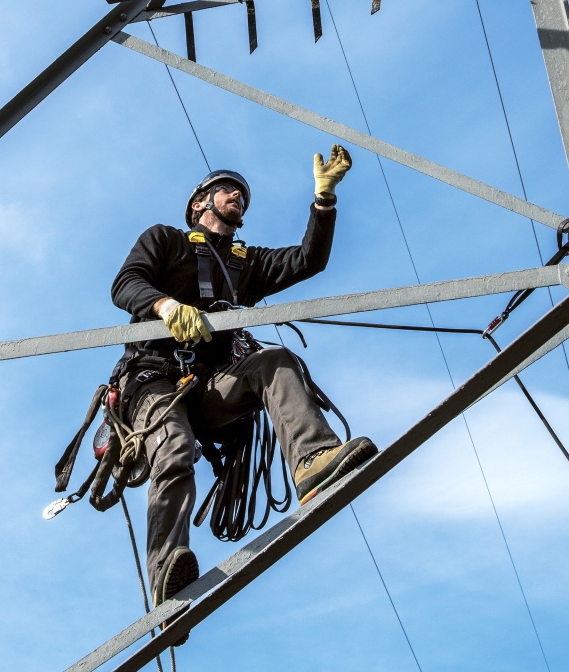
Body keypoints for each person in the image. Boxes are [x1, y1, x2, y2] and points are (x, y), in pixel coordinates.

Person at [110, 144, 377, 619]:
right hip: (152, 380)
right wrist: (165, 306)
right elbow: (126, 283)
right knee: (172, 449)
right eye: (226, 190)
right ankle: (166, 571)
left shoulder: (243, 264)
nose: (237, 195)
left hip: (209, 386)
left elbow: (307, 260)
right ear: (199, 204)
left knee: (274, 359)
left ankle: (313, 460)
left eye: (241, 194)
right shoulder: (166, 240)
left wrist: (324, 201)